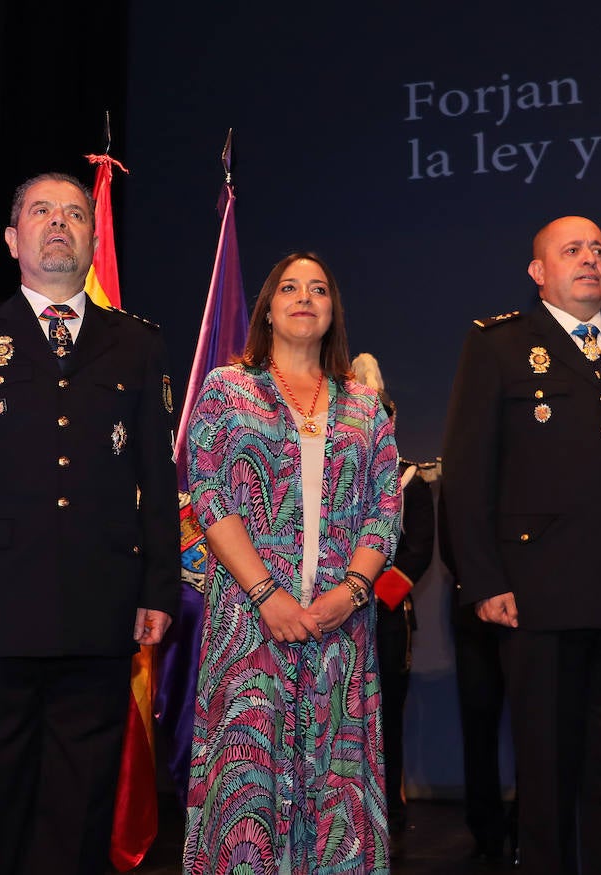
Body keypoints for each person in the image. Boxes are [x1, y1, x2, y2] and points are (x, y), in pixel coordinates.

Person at [0, 171, 180, 875]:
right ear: (11, 237)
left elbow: (157, 477)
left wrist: (158, 588)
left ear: (92, 237)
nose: (60, 223)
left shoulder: (137, 345)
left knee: (79, 806)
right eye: (41, 212)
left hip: (100, 606)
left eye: (75, 214)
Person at [441, 216, 601, 874]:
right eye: (573, 250)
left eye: (599, 250)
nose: (590, 260)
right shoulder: (498, 346)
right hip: (540, 595)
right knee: (548, 770)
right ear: (539, 271)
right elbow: (467, 473)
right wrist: (483, 578)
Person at [182, 252, 401, 874]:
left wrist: (351, 591)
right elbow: (211, 495)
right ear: (269, 309)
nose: (304, 298)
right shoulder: (229, 389)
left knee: (337, 792)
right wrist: (267, 595)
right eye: (289, 288)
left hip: (342, 631)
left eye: (319, 290)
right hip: (250, 626)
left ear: (332, 311)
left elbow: (385, 512)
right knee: (245, 790)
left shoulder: (365, 408)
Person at [350, 352, 435, 847]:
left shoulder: (410, 481)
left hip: (383, 617)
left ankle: (390, 814)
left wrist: (362, 595)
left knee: (387, 718)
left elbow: (416, 555)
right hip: (334, 616)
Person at [437, 492, 520, 865]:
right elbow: (452, 543)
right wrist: (486, 587)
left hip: (532, 617)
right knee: (479, 726)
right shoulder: (466, 467)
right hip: (475, 616)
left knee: (534, 729)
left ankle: (527, 830)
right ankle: (485, 832)